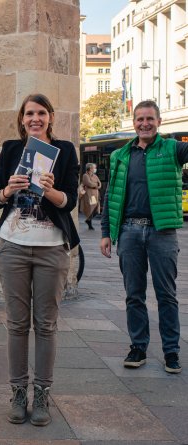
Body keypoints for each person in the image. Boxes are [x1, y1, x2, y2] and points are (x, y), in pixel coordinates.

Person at [0, 94, 79, 427]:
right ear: (22, 118)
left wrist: (50, 190)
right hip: (13, 245)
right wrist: (9, 190)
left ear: (50, 117)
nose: (35, 118)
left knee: (46, 325)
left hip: (51, 248)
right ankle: (17, 394)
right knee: (16, 324)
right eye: (29, 113)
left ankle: (41, 395)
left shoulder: (65, 151)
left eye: (41, 113)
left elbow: (68, 200)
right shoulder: (12, 149)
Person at [100, 100, 188, 374]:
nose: (144, 124)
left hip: (162, 232)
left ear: (159, 122)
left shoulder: (173, 149)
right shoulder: (120, 156)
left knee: (167, 295)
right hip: (129, 232)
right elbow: (110, 195)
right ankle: (138, 346)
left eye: (150, 118)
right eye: (140, 119)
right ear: (133, 122)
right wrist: (106, 233)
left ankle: (171, 352)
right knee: (134, 295)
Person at [80, 163, 101, 230]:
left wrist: (96, 185)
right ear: (90, 168)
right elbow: (89, 183)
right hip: (90, 195)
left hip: (96, 194)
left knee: (96, 209)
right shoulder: (85, 175)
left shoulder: (95, 176)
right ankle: (89, 223)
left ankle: (88, 220)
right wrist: (96, 184)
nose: (95, 169)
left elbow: (100, 184)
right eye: (94, 168)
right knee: (92, 208)